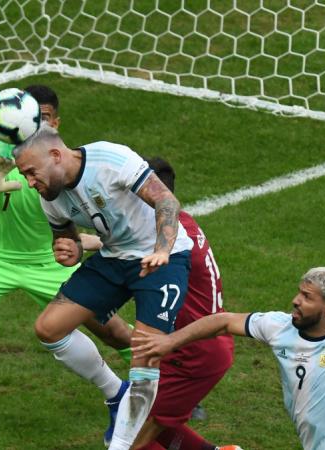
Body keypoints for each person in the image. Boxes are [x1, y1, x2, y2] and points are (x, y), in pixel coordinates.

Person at [0, 85, 133, 440]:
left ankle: (161, 387)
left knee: (115, 332)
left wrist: (86, 247)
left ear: (55, 121)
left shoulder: (62, 160)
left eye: (43, 117)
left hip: (47, 261)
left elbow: (81, 225)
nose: (33, 125)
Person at [133, 240, 325, 450]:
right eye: (299, 292)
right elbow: (223, 321)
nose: (296, 301)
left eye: (307, 297)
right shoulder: (280, 326)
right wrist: (170, 341)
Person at [13, 126, 195, 450]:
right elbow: (66, 238)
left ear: (55, 156)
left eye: (31, 172)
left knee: (144, 354)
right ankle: (115, 392)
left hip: (160, 258)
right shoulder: (49, 197)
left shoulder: (110, 158)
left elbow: (165, 200)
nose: (30, 182)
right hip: (113, 258)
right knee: (48, 328)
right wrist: (70, 250)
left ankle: (120, 446)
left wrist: (163, 249)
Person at [133, 157, 239, 450]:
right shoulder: (182, 223)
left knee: (134, 433)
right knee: (144, 418)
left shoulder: (170, 243)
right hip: (196, 344)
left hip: (194, 353)